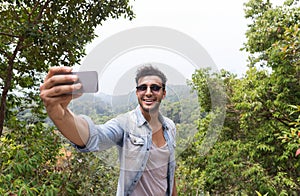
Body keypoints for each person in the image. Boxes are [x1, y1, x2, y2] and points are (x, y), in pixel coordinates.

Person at [40, 65, 177, 196]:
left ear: (163, 93)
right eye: (142, 88)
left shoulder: (170, 127)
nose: (148, 92)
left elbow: (169, 173)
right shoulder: (125, 124)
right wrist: (61, 116)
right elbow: (96, 137)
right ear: (136, 92)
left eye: (154, 88)